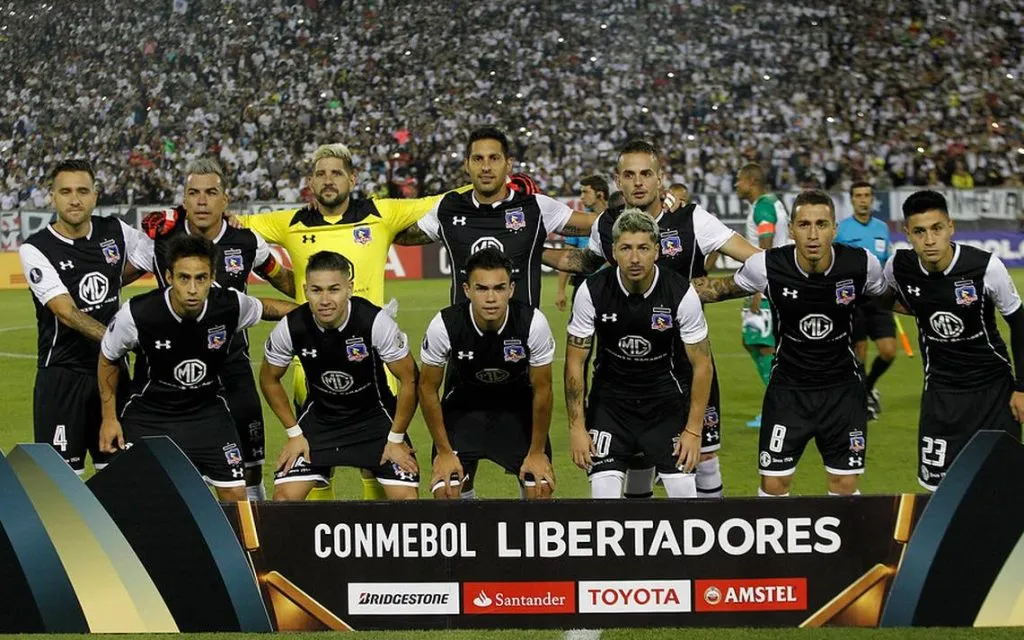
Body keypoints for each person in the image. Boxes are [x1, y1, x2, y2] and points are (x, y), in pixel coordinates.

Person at [236, 143, 459, 500]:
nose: (328, 180)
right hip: (308, 361)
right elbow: (235, 225)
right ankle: (326, 544)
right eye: (320, 173)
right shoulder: (289, 222)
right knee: (315, 456)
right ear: (309, 181)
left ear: (353, 178)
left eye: (336, 172)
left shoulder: (380, 213)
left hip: (374, 350)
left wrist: (496, 188)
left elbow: (440, 201)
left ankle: (369, 542)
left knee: (377, 460)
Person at [548, 140, 761, 499]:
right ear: (618, 180)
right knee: (635, 460)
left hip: (688, 363)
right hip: (626, 373)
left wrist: (706, 290)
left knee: (703, 456)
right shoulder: (608, 225)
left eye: (646, 173)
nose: (638, 182)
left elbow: (753, 260)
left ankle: (709, 545)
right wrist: (527, 252)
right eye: (629, 175)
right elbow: (585, 264)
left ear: (660, 178)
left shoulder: (692, 220)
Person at [698, 189, 886, 496]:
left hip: (843, 391)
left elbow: (889, 295)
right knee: (773, 485)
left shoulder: (860, 264)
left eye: (822, 224)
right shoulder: (768, 266)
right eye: (804, 224)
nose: (813, 234)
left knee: (844, 486)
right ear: (791, 229)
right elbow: (719, 289)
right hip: (787, 391)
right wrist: (663, 284)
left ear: (834, 228)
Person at [141, 158, 295, 499]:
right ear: (183, 199)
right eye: (193, 193)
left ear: (225, 200)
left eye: (211, 193)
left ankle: (256, 541)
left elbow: (281, 278)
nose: (201, 201)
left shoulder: (247, 241)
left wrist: (320, 298)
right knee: (174, 472)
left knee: (251, 467)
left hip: (231, 366)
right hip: (170, 372)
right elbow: (120, 275)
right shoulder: (161, 237)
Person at [98, 235, 296, 500]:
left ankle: (239, 544)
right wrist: (110, 419)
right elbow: (107, 358)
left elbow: (267, 308)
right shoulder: (137, 313)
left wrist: (310, 313)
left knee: (237, 495)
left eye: (201, 278)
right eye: (184, 278)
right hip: (151, 415)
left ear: (212, 277)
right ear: (169, 277)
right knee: (131, 495)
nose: (192, 289)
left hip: (207, 414)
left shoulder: (229, 305)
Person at [565, 210, 713, 499]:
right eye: (626, 248)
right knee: (604, 501)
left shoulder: (680, 292)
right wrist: (577, 428)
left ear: (656, 251)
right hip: (610, 405)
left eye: (643, 248)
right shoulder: (591, 291)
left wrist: (693, 431)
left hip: (664, 405)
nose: (635, 258)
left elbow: (702, 365)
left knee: (685, 497)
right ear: (613, 252)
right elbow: (575, 362)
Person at [18, 159, 152, 475]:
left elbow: (151, 256)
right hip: (63, 377)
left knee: (122, 478)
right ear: (52, 196)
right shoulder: (36, 248)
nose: (74, 199)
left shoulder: (115, 230)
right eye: (65, 191)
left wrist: (170, 227)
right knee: (62, 486)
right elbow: (66, 313)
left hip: (112, 376)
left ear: (95, 195)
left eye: (82, 191)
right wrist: (120, 341)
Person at [884, 190, 1024, 491]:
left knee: (1002, 488)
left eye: (936, 229)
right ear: (907, 233)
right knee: (939, 493)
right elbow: (884, 298)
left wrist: (1022, 389)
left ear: (951, 226)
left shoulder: (986, 267)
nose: (930, 240)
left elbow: (1020, 323)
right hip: (941, 394)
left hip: (994, 393)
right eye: (919, 232)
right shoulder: (899, 267)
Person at [260, 251, 419, 500]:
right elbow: (269, 379)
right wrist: (294, 434)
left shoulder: (374, 321)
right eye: (316, 290)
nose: (325, 299)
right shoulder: (292, 326)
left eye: (334, 289)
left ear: (350, 288)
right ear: (305, 290)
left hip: (375, 419)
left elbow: (410, 379)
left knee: (407, 500)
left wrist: (396, 439)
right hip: (321, 420)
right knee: (284, 500)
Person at [396, 126, 596, 306]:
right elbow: (401, 235)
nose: (485, 167)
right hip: (465, 341)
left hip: (522, 340)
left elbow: (595, 225)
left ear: (508, 164)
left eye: (494, 158)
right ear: (467, 165)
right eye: (477, 159)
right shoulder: (447, 208)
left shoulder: (536, 206)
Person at [419, 248, 556, 499]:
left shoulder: (532, 322)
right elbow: (427, 389)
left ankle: (520, 538)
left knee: (540, 489)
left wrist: (537, 452)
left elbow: (543, 389)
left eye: (499, 288)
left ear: (511, 290)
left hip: (517, 411)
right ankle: (472, 533)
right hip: (463, 410)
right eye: (482, 288)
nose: (491, 298)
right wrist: (444, 451)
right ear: (467, 290)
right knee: (448, 491)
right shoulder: (445, 325)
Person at [735, 162, 792, 428]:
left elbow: (766, 244)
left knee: (762, 344)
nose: (736, 185)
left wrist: (760, 287)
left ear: (751, 181)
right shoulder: (773, 202)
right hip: (773, 282)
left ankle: (781, 408)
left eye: (739, 180)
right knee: (756, 342)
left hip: (766, 285)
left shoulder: (763, 206)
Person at [836, 181, 896, 419]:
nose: (863, 199)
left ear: (872, 199)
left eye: (867, 195)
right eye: (858, 195)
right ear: (852, 200)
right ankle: (861, 398)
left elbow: (887, 259)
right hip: (854, 300)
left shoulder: (882, 228)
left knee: (888, 351)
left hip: (879, 298)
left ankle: (869, 386)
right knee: (859, 351)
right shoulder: (842, 230)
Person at [555, 175, 607, 312]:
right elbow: (568, 255)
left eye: (586, 192)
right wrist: (561, 290)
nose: (582, 197)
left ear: (600, 194)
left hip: (610, 283)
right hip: (583, 282)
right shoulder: (578, 221)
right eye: (581, 192)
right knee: (579, 330)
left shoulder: (617, 219)